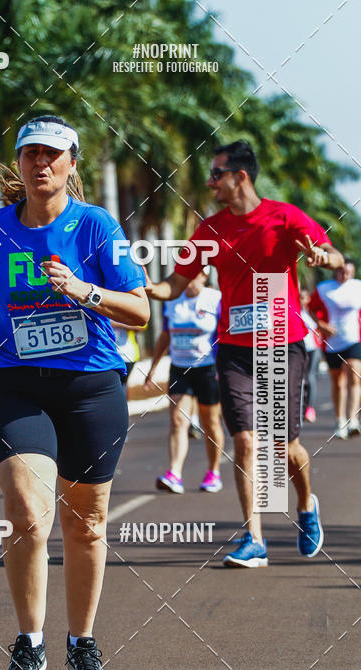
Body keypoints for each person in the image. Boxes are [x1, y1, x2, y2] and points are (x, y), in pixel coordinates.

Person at [0, 115, 149, 670]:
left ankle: (82, 642)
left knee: (86, 524)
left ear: (71, 164)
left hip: (90, 387)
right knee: (26, 514)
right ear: (18, 163)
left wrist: (83, 290)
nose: (41, 163)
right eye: (30, 154)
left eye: (53, 154)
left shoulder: (94, 226)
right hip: (16, 385)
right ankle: (30, 642)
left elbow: (139, 310)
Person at [146, 139, 343, 568]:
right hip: (233, 349)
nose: (210, 182)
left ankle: (306, 504)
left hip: (282, 342)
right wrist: (140, 288)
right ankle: (253, 539)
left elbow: (332, 254)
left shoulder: (284, 217)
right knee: (245, 440)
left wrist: (320, 257)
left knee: (282, 446)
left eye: (216, 174)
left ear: (241, 176)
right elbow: (175, 285)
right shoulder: (209, 230)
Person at [144, 269, 224, 494]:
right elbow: (165, 335)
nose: (188, 281)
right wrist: (152, 368)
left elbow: (224, 334)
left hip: (208, 368)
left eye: (195, 275)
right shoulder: (172, 301)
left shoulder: (214, 299)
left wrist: (225, 369)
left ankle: (213, 471)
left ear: (204, 277)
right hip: (180, 367)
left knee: (211, 424)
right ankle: (175, 473)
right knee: (179, 419)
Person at [308, 259, 361, 438]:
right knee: (338, 382)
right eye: (341, 271)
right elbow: (311, 308)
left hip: (354, 339)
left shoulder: (358, 287)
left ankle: (353, 420)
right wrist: (321, 325)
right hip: (331, 342)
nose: (344, 275)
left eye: (348, 272)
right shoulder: (324, 288)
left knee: (355, 377)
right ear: (335, 272)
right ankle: (340, 420)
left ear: (353, 273)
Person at [300, 288, 322, 423]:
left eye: (304, 297)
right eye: (299, 297)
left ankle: (309, 408)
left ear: (308, 299)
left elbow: (321, 327)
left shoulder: (312, 314)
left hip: (313, 348)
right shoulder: (294, 312)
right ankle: (298, 407)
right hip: (298, 349)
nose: (301, 300)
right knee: (298, 378)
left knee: (310, 376)